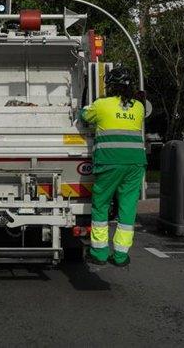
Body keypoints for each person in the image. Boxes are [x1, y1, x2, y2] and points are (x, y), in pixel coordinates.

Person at [79, 66, 146, 267]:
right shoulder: (139, 107)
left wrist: (82, 109)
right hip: (135, 164)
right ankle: (120, 256)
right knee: (127, 209)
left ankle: (99, 253)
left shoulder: (101, 105)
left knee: (101, 205)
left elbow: (84, 117)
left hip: (109, 162)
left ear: (110, 86)